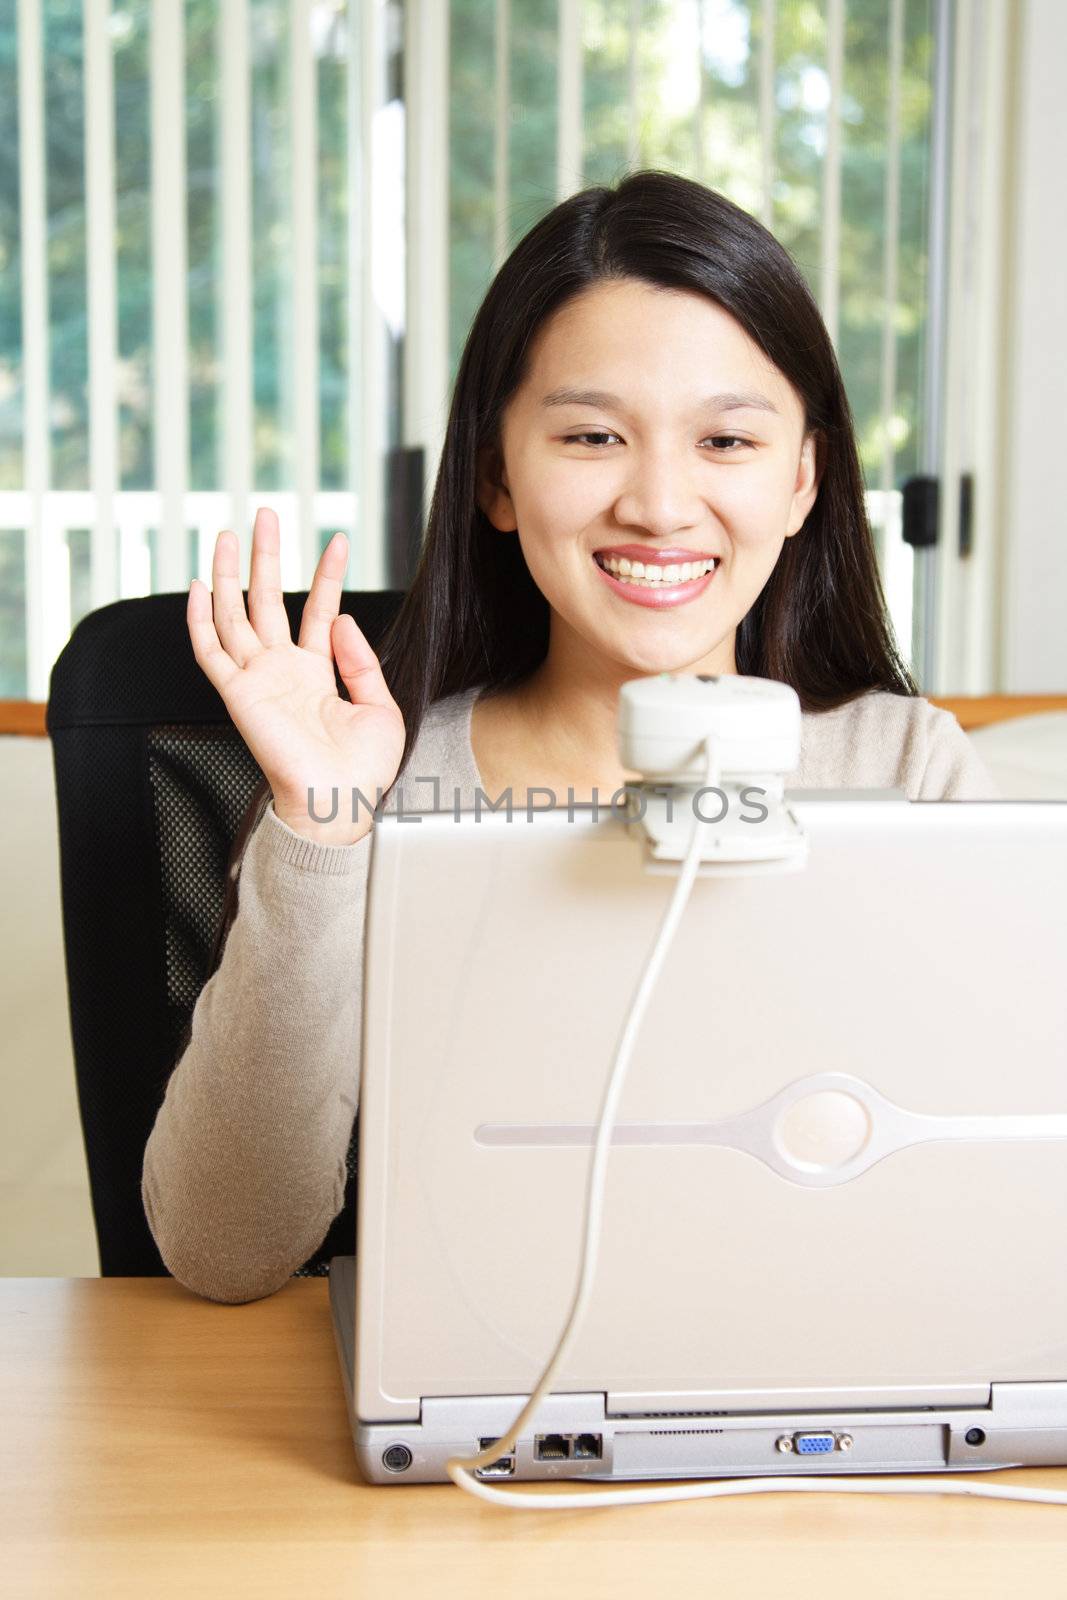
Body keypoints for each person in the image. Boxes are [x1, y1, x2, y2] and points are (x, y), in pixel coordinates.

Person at [142, 170, 999, 1305]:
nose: (657, 503)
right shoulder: (384, 791)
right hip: (482, 1415)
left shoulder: (906, 773)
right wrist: (324, 827)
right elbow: (224, 1250)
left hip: (815, 1402)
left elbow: (993, 1201)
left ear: (801, 478)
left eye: (725, 443)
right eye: (592, 435)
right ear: (496, 474)